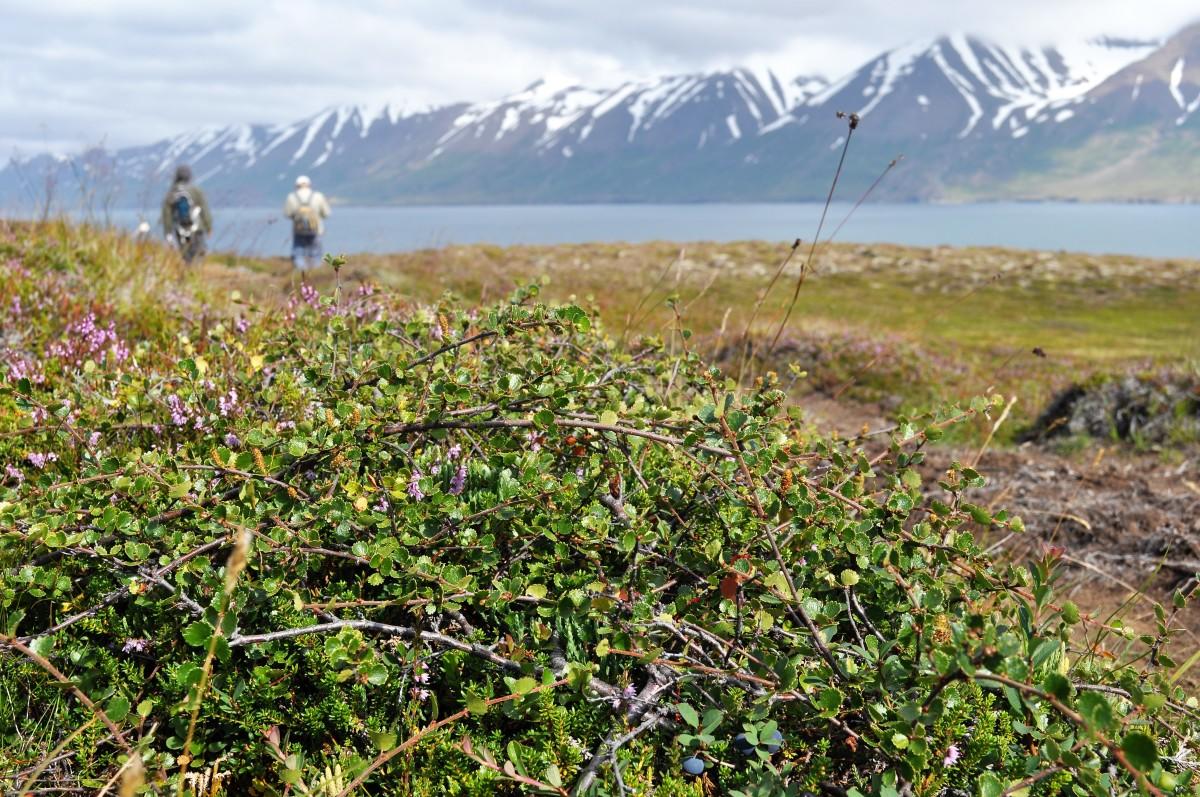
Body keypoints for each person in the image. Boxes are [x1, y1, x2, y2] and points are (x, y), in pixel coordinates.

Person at [160, 165, 212, 264]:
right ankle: (197, 274)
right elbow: (204, 209)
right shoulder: (196, 190)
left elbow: (166, 216)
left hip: (180, 229)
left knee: (186, 255)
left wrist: (168, 232)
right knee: (198, 253)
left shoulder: (172, 192)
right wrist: (208, 226)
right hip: (197, 228)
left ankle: (188, 272)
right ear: (189, 176)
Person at [283, 175, 331, 273]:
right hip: (316, 230)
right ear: (309, 185)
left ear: (296, 185)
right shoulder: (318, 196)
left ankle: (302, 274)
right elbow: (326, 213)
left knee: (298, 253)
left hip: (298, 230)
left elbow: (287, 214)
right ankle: (316, 274)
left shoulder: (291, 197)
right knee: (316, 253)